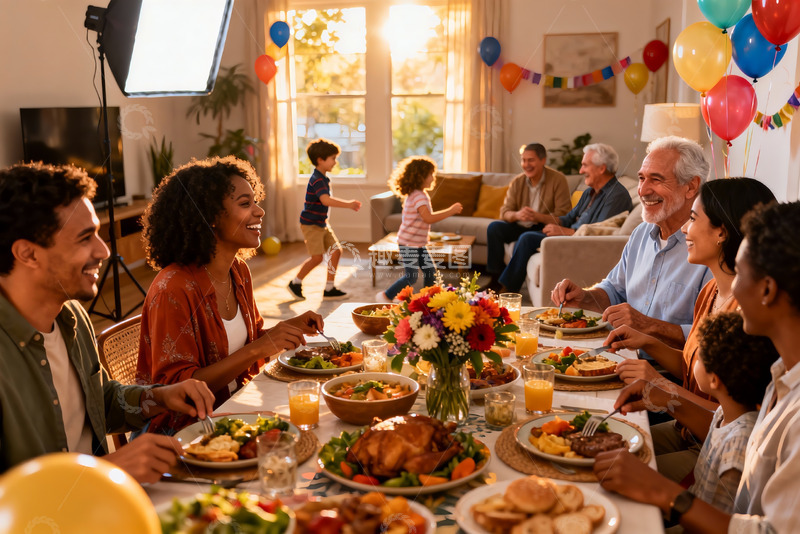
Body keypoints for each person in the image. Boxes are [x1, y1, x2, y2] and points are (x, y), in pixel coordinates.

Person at [0, 162, 215, 483]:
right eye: (85, 238)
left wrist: (159, 397)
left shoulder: (72, 316)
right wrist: (103, 471)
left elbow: (98, 401)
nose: (104, 250)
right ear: (28, 254)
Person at [593, 201, 800, 534]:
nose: (732, 286)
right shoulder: (782, 376)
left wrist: (661, 491)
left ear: (767, 289)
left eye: (741, 271)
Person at [601, 177, 776, 482]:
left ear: (721, 231)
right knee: (595, 446)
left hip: (712, 447)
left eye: (693, 219)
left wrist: (662, 388)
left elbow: (735, 424)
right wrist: (650, 344)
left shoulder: (747, 316)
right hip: (685, 430)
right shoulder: (709, 292)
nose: (684, 229)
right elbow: (693, 367)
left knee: (605, 473)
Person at [137, 157, 323, 434]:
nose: (260, 211)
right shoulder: (173, 288)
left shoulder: (238, 271)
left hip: (233, 408)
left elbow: (244, 345)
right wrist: (261, 347)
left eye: (255, 201)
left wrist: (286, 329)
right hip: (183, 431)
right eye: (245, 203)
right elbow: (178, 390)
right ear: (211, 215)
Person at [552, 136, 713, 349]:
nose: (643, 190)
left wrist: (648, 325)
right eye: (641, 178)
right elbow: (614, 290)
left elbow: (710, 336)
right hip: (621, 354)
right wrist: (584, 297)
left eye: (656, 180)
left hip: (671, 372)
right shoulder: (642, 233)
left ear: (691, 186)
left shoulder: (711, 248)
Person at [494, 143, 632, 292]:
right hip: (569, 236)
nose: (581, 171)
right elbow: (569, 217)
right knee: (514, 233)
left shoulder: (616, 196)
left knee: (527, 239)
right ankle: (503, 285)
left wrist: (565, 232)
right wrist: (552, 223)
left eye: (585, 165)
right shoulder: (589, 192)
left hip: (575, 242)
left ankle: (506, 291)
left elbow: (598, 232)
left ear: (601, 168)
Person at [485, 143, 571, 291]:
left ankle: (508, 289)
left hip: (544, 227)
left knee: (526, 237)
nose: (526, 165)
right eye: (523, 160)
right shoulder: (518, 181)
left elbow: (564, 215)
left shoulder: (558, 180)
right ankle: (495, 281)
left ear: (543, 160)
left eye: (530, 160)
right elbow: (504, 212)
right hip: (520, 225)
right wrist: (517, 215)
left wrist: (538, 217)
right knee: (494, 228)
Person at [376, 156, 462, 302]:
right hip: (409, 244)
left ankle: (428, 299)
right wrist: (451, 210)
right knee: (411, 276)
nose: (433, 178)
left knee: (430, 272)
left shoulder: (417, 194)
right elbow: (428, 218)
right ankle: (386, 295)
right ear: (420, 176)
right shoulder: (419, 196)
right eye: (430, 174)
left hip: (417, 243)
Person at [288, 138, 362, 300]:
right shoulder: (317, 179)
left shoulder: (323, 178)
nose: (335, 162)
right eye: (333, 158)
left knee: (336, 251)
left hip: (321, 223)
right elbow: (325, 200)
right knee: (317, 258)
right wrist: (349, 204)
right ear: (320, 160)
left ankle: (329, 288)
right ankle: (295, 282)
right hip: (311, 225)